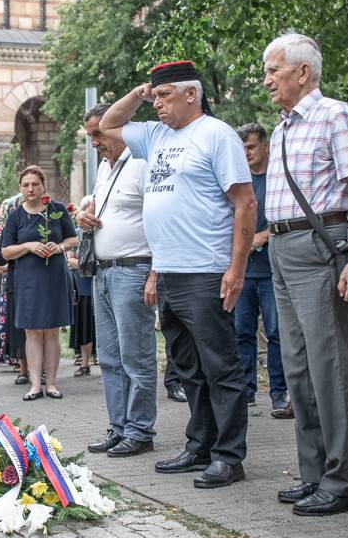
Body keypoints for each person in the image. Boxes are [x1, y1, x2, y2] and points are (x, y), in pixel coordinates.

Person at [100, 60, 256, 489]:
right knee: (188, 369)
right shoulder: (155, 136)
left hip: (205, 271)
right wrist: (139, 93)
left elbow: (245, 203)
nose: (158, 104)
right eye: (155, 97)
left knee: (220, 368)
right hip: (168, 272)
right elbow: (108, 125)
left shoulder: (216, 134)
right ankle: (199, 445)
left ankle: (229, 456)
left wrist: (236, 269)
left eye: (165, 96)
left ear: (192, 94)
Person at [263, 32, 348, 516]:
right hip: (282, 248)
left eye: (273, 69)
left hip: (319, 247)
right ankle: (314, 474)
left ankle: (344, 482)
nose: (266, 79)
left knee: (330, 368)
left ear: (302, 72)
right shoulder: (283, 127)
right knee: (299, 369)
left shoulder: (335, 114)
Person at [79, 105, 159, 458]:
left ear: (121, 128)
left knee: (136, 357)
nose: (96, 141)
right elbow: (98, 209)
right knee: (109, 357)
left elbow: (159, 220)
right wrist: (83, 216)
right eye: (91, 135)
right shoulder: (103, 168)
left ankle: (140, 430)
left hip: (134, 270)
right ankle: (119, 426)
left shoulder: (142, 163)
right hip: (103, 270)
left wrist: (156, 272)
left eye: (100, 133)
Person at [0, 165, 78, 401]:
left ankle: (52, 383)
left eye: (35, 184)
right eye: (26, 185)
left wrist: (59, 246)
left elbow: (73, 238)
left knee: (52, 331)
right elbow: (5, 252)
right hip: (28, 280)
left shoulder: (57, 210)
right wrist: (28, 246)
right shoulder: (15, 216)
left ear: (43, 185)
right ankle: (35, 385)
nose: (30, 188)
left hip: (54, 275)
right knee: (32, 332)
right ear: (20, 188)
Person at [233, 123, 290, 417]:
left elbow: (289, 213)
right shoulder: (237, 180)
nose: (247, 154)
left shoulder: (279, 177)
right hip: (243, 271)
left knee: (277, 332)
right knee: (242, 333)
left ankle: (280, 393)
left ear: (265, 146)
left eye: (251, 147)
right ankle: (247, 391)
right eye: (242, 149)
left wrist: (264, 234)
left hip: (272, 270)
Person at [0, 194, 28, 381]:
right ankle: (23, 370)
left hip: (40, 281)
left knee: (42, 327)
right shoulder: (11, 226)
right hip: (16, 281)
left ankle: (42, 370)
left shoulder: (44, 222)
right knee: (20, 328)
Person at [67, 199, 95, 378]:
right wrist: (89, 265)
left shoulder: (101, 230)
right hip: (83, 287)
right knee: (85, 326)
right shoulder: (76, 234)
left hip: (100, 285)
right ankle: (84, 363)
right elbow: (69, 260)